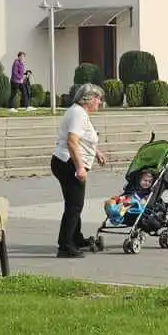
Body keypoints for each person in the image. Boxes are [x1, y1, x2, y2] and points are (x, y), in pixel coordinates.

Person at [50, 82, 107, 258]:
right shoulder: (78, 114)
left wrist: (96, 152)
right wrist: (80, 167)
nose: (100, 102)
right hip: (68, 163)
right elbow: (72, 142)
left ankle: (75, 237)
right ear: (88, 99)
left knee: (74, 203)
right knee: (75, 205)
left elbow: (82, 140)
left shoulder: (79, 112)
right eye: (98, 98)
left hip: (64, 161)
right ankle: (65, 245)